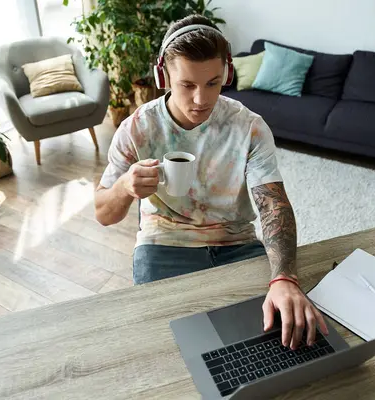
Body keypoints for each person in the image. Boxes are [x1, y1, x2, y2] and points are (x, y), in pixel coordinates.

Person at [94, 14, 328, 350]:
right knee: (165, 343)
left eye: (213, 83)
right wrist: (124, 187)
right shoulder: (137, 128)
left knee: (273, 334)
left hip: (237, 243)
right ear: (164, 76)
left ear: (228, 74)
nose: (201, 99)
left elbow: (274, 205)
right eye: (187, 85)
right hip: (165, 245)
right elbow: (103, 213)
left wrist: (284, 278)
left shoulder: (249, 127)